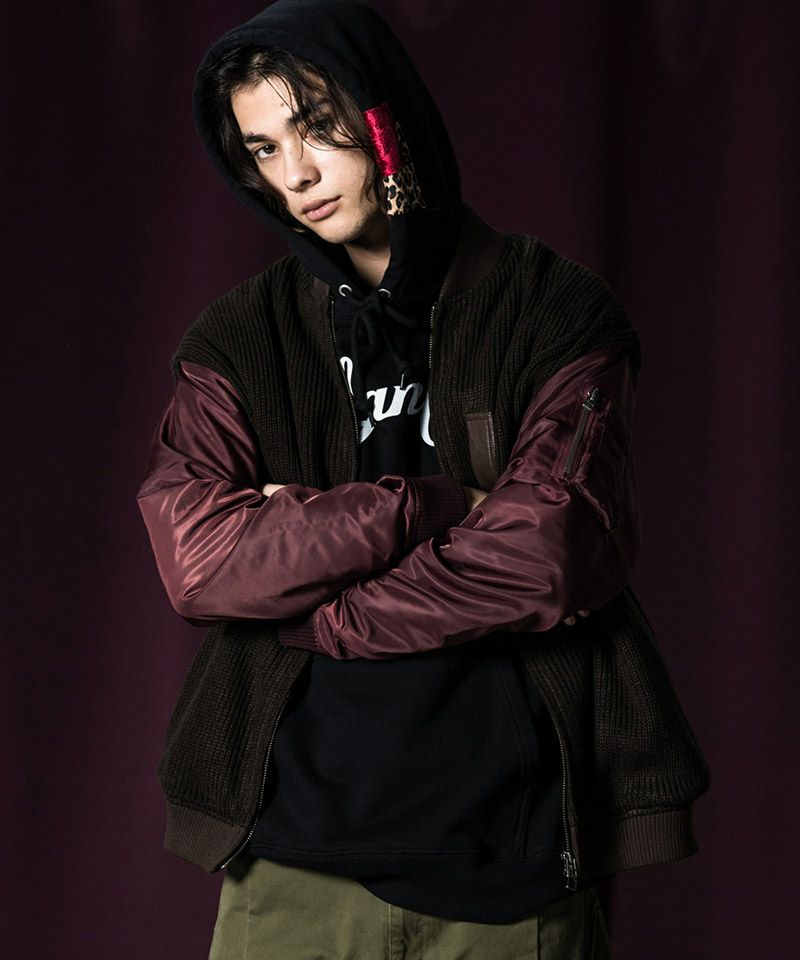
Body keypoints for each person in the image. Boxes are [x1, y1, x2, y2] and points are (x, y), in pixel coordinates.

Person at [138, 1, 710, 956]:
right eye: (265, 149)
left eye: (316, 127)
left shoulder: (553, 310)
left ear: (385, 115)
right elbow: (201, 563)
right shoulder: (239, 340)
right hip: (290, 858)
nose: (297, 174)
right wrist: (431, 503)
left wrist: (320, 607)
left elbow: (549, 554)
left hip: (516, 855)